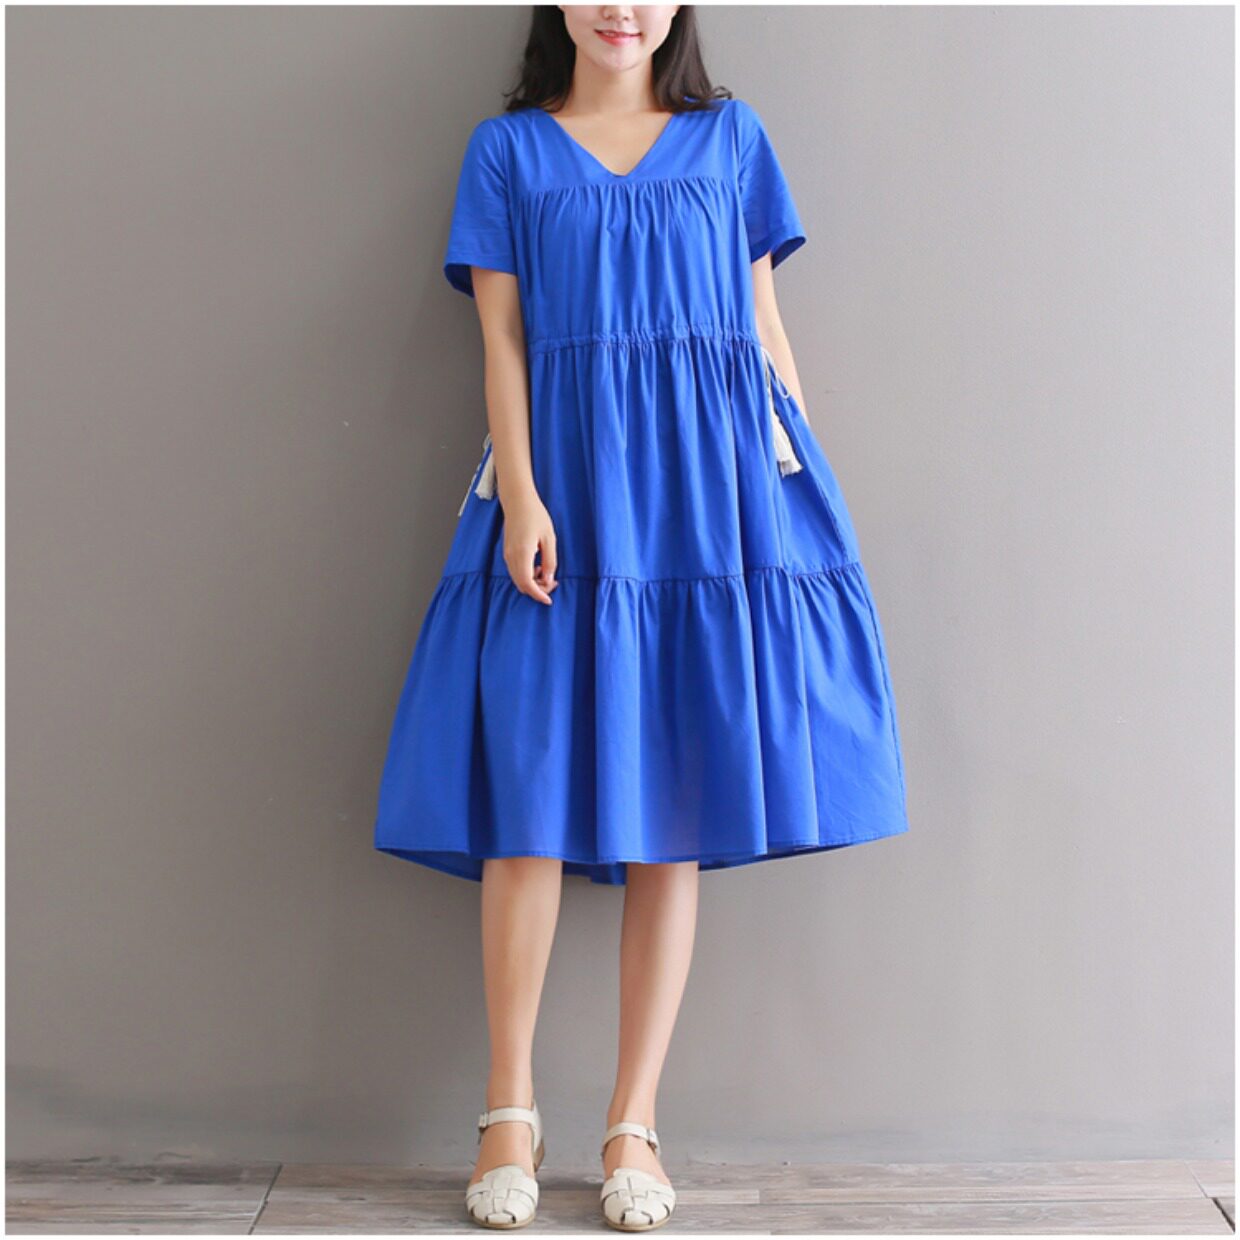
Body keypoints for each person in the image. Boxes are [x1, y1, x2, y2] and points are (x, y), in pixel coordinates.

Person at [373, 4, 911, 1230]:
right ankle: (508, 1109)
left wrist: (784, 500)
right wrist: (520, 493)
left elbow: (761, 327)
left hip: (710, 500)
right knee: (526, 801)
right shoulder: (507, 150)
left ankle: (634, 1119)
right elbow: (502, 339)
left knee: (676, 802)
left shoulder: (732, 139)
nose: (620, 4)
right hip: (562, 490)